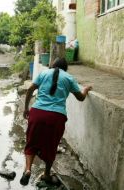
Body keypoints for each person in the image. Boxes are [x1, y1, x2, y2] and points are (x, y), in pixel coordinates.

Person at [20, 58, 92, 186]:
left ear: (52, 65)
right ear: (66, 68)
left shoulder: (43, 74)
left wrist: (26, 108)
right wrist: (85, 90)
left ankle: (27, 170)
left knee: (31, 143)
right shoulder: (69, 78)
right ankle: (46, 174)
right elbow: (80, 98)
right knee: (51, 146)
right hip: (56, 117)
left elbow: (30, 89)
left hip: (37, 113)